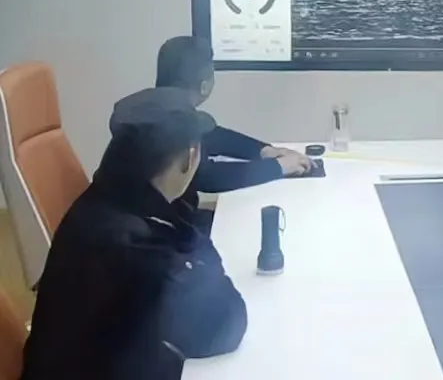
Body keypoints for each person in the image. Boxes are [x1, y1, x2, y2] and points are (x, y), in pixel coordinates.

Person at [22, 87, 248, 379]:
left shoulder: (103, 201)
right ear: (190, 157)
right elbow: (224, 324)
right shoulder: (134, 247)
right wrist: (200, 253)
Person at [155, 36, 312, 233]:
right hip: (157, 231)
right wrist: (278, 167)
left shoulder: (156, 110)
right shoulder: (172, 122)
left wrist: (264, 151)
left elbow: (213, 136)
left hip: (155, 219)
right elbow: (207, 176)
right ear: (205, 86)